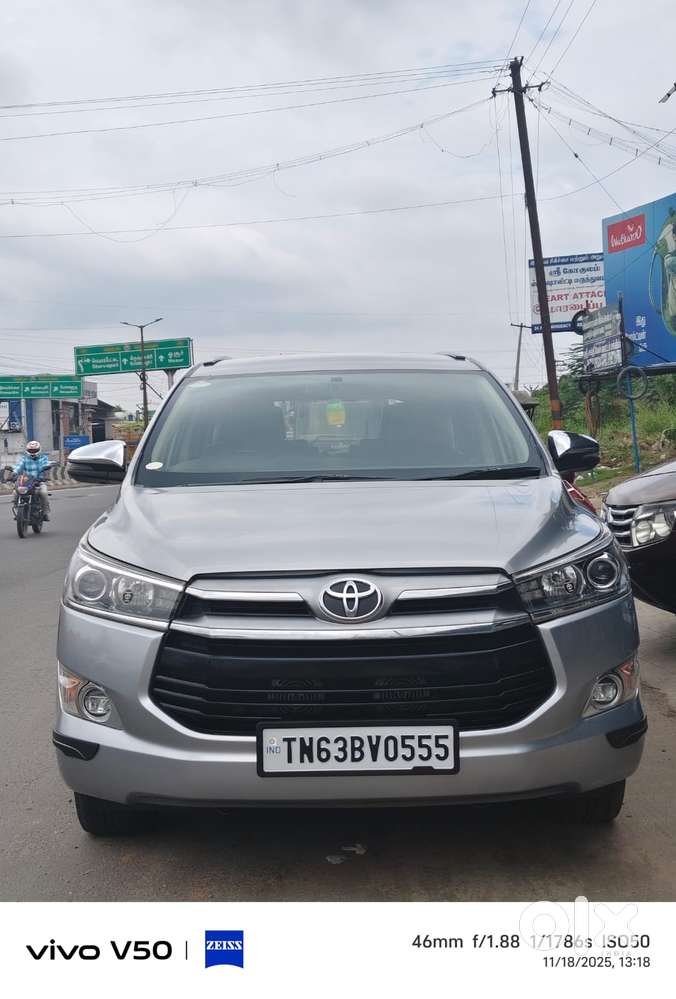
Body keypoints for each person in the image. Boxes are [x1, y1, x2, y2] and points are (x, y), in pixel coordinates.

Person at [13, 440, 51, 520]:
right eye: (31, 450)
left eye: (34, 450)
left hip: (39, 481)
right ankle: (17, 511)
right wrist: (14, 473)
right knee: (15, 492)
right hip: (26, 482)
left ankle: (45, 512)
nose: (32, 452)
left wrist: (46, 474)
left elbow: (46, 466)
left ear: (39, 450)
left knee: (43, 493)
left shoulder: (44, 458)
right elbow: (18, 467)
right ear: (27, 450)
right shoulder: (24, 458)